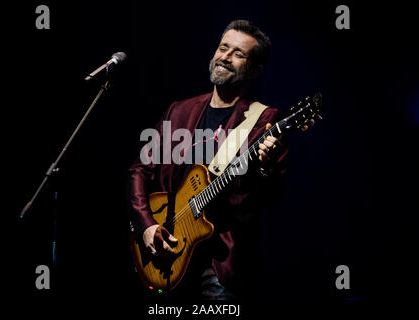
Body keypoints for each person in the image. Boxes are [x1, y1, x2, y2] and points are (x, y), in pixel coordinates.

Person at [128, 20, 304, 300]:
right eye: (223, 48)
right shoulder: (179, 111)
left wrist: (265, 166)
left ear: (255, 69)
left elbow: (272, 197)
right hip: (168, 254)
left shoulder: (263, 120)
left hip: (220, 266)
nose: (225, 57)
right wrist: (146, 223)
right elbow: (140, 169)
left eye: (238, 53)